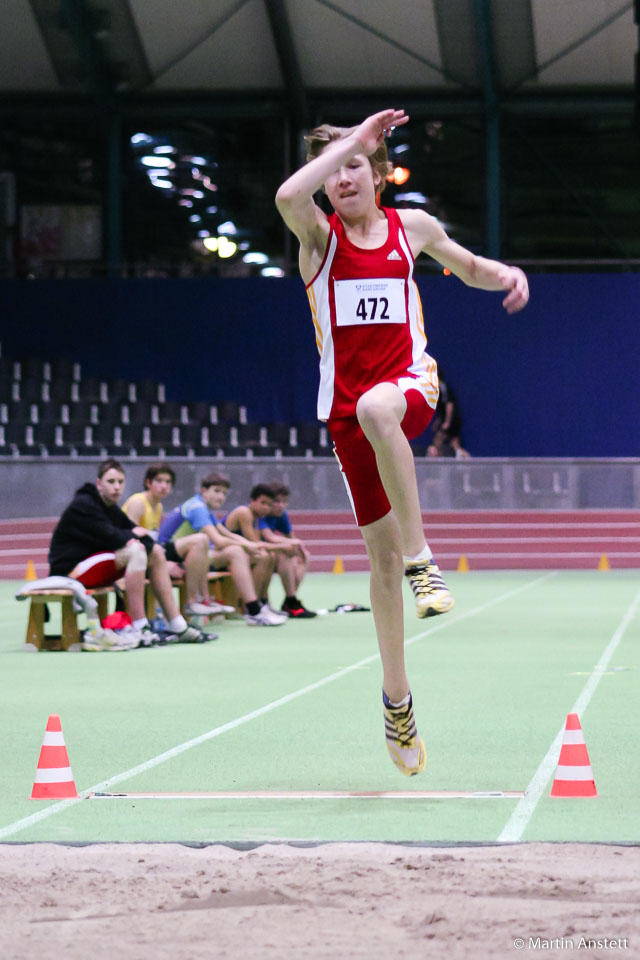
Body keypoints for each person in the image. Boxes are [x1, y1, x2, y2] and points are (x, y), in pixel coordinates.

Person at [275, 108, 528, 775]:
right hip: (345, 420)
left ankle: (425, 558)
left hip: (409, 386)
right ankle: (397, 701)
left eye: (357, 163)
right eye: (336, 169)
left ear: (380, 174)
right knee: (376, 565)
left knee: (381, 407)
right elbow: (287, 195)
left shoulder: (407, 227)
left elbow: (465, 265)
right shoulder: (317, 241)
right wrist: (350, 141)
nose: (344, 178)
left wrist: (503, 272)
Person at [48, 458, 207, 650]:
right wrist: (135, 535)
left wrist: (142, 538)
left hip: (95, 564)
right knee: (136, 551)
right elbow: (113, 536)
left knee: (155, 551)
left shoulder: (110, 507)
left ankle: (177, 625)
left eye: (120, 482)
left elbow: (138, 535)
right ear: (99, 483)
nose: (116, 487)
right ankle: (139, 626)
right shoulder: (84, 505)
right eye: (111, 482)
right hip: (71, 571)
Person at [158, 472, 287, 627]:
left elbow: (225, 533)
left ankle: (256, 606)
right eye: (217, 491)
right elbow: (218, 540)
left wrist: (251, 545)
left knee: (245, 553)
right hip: (168, 553)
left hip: (188, 552)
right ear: (204, 490)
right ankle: (251, 609)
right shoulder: (197, 508)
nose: (221, 497)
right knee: (233, 551)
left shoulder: (206, 508)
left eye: (224, 493)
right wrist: (248, 545)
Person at [122, 462, 221, 618]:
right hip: (130, 559)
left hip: (150, 553)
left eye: (168, 482)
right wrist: (161, 563)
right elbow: (128, 540)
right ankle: (191, 603)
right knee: (200, 540)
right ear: (148, 483)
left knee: (201, 543)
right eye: (159, 481)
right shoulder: (138, 502)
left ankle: (198, 601)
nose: (164, 486)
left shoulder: (158, 506)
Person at [224, 483, 295, 613]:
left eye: (269, 504)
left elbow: (256, 545)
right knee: (263, 557)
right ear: (252, 501)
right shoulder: (244, 512)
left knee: (270, 556)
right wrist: (283, 547)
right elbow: (254, 544)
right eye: (263, 503)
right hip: (224, 555)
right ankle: (252, 606)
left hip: (239, 554)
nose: (266, 508)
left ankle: (262, 601)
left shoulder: (258, 518)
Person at [261, 481, 316, 618]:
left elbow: (291, 537)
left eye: (284, 502)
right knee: (285, 553)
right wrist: (292, 543)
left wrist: (300, 550)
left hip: (267, 553)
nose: (281, 505)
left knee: (304, 556)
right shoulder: (260, 513)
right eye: (277, 501)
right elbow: (269, 537)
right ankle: (290, 601)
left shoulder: (282, 515)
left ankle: (289, 599)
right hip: (258, 554)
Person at [426, 376, 470, 458]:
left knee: (437, 441)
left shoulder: (443, 387)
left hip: (452, 421)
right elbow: (443, 410)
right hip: (451, 421)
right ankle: (467, 459)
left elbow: (449, 405)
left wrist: (447, 422)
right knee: (455, 445)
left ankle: (434, 460)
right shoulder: (439, 388)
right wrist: (437, 422)